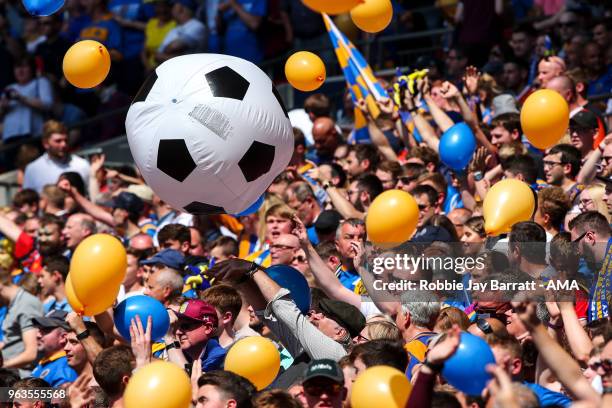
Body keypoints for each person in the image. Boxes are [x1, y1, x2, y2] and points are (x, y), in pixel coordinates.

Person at [22, 120, 90, 193]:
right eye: (58, 141)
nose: (64, 144)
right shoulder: (33, 170)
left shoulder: (82, 164)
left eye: (66, 140)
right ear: (45, 143)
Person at [0, 56, 54, 146]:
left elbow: (47, 105)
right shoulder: (9, 88)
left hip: (34, 135)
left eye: (24, 66)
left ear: (32, 69)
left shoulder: (40, 82)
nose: (20, 71)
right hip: (10, 137)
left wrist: (21, 98)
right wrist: (2, 107)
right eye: (17, 67)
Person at [0, 266, 43, 377]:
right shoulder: (13, 304)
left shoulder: (26, 304)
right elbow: (12, 339)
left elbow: (31, 353)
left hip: (21, 377)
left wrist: (3, 366)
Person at [163, 298, 227, 371]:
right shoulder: (184, 352)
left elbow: (189, 379)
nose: (178, 332)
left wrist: (170, 339)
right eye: (177, 326)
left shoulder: (220, 359)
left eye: (185, 326)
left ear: (207, 328)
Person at [31, 310, 78, 386]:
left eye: (45, 330)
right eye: (39, 329)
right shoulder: (47, 362)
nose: (38, 335)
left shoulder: (65, 369)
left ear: (63, 337)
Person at [200, 284, 243, 348]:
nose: (200, 317)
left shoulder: (240, 349)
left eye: (207, 313)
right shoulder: (203, 350)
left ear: (226, 317)